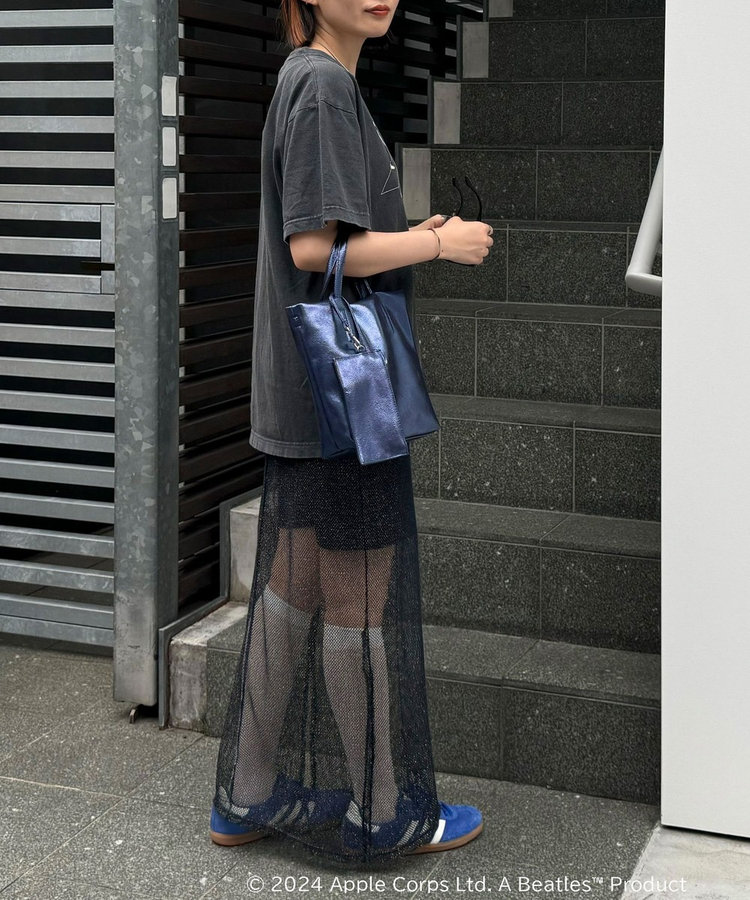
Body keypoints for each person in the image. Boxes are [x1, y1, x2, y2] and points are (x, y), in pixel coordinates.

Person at [209, 0, 494, 865]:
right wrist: (437, 246)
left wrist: (412, 236)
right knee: (359, 599)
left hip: (307, 392)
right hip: (344, 398)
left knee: (292, 584)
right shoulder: (325, 87)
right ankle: (384, 810)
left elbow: (330, 244)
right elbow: (314, 248)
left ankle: (247, 789)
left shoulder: (307, 80)